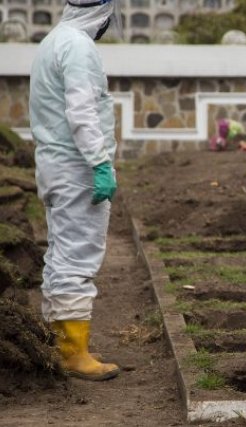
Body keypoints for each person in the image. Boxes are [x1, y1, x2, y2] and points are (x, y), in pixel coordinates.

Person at [29, 0, 122, 381]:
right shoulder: (80, 47)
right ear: (101, 13)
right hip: (77, 169)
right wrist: (100, 162)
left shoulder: (54, 40)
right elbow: (82, 111)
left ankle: (64, 342)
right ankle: (73, 353)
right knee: (77, 258)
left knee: (61, 254)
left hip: (57, 167)